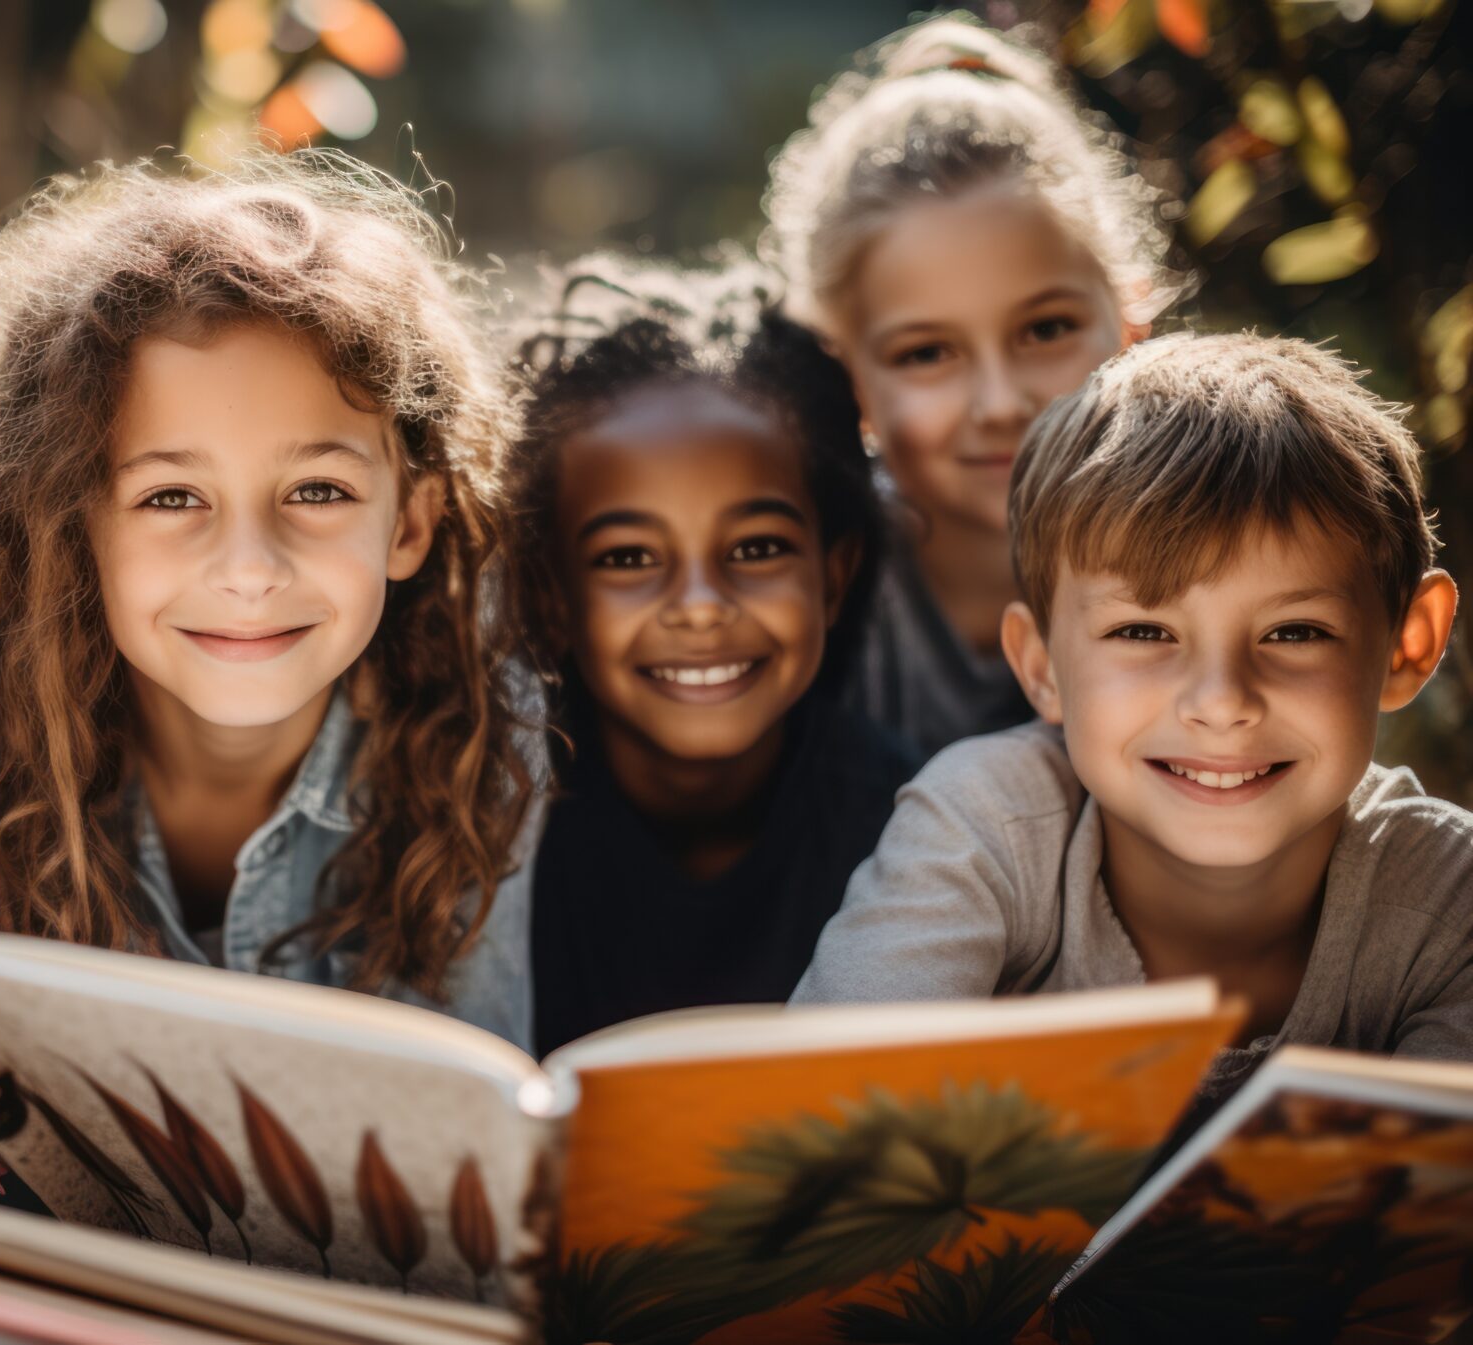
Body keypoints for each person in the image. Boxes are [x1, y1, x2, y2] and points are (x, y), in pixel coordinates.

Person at [0, 152, 545, 1046]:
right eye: (172, 498)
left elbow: (467, 1115)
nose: (250, 569)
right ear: (72, 528)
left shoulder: (482, 738)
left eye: (317, 491)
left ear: (411, 523)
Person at [794, 333, 1473, 1102]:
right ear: (1042, 666)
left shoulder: (1448, 903)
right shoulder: (989, 828)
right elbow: (824, 1114)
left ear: (1407, 644)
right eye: (1144, 632)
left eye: (1294, 632)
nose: (1220, 700)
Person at [506, 257, 911, 1053]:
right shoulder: (480, 823)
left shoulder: (911, 830)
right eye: (627, 557)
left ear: (835, 576)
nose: (698, 603)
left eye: (756, 547)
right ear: (551, 597)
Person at [763, 15, 1187, 761]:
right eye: (927, 352)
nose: (1000, 404)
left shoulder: (1213, 560)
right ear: (845, 375)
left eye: (1046, 330)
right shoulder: (805, 602)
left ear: (1129, 321)